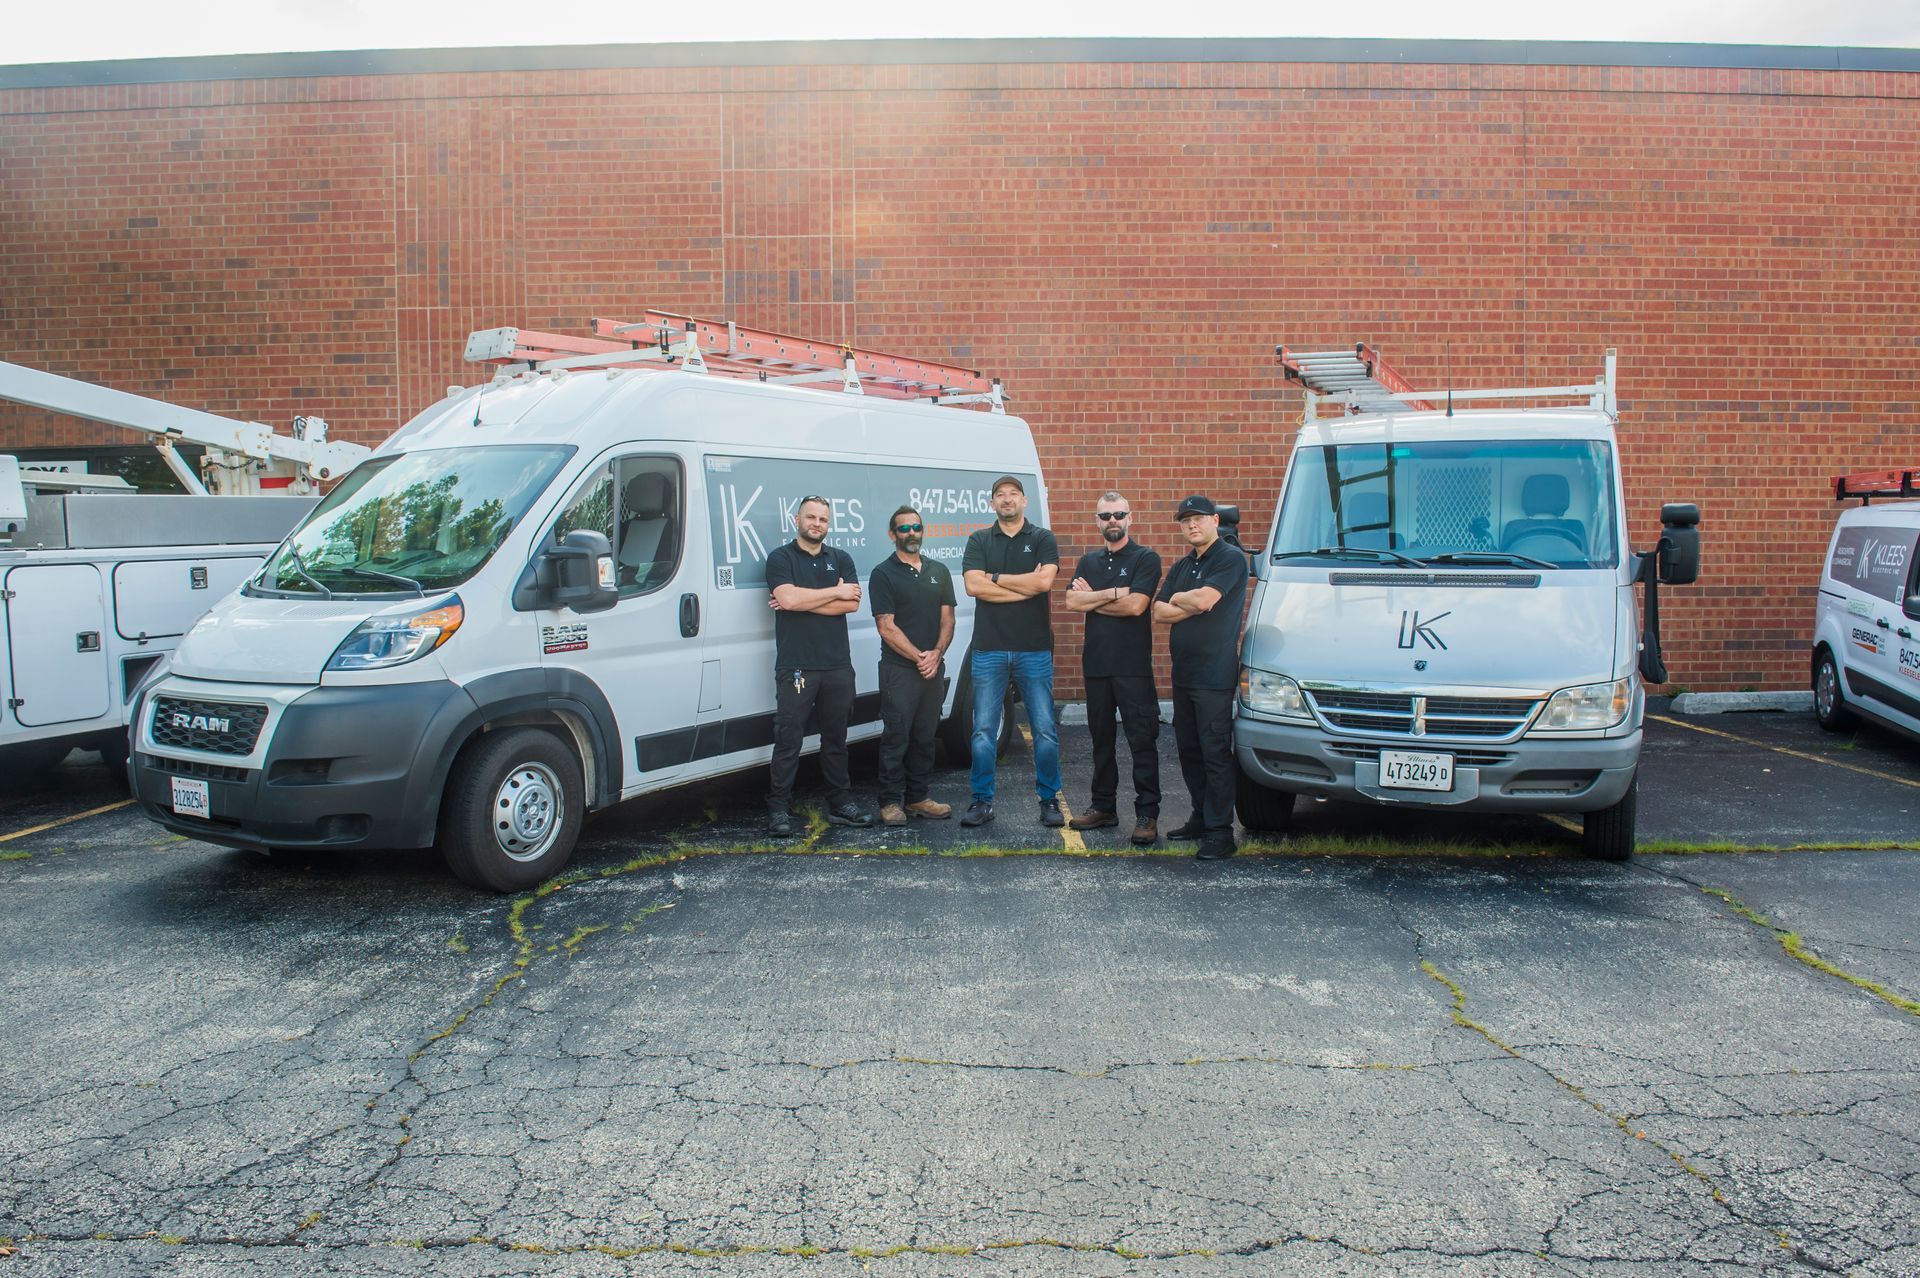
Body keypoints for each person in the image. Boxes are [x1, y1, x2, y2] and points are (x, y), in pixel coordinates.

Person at [765, 495, 873, 837]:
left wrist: (800, 601)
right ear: (796, 519)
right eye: (810, 517)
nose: (816, 523)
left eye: (823, 519)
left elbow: (851, 605)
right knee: (788, 739)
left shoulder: (840, 558)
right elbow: (787, 598)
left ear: (829, 524)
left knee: (836, 739)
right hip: (797, 666)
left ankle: (841, 804)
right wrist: (832, 593)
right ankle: (779, 808)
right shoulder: (780, 558)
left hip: (837, 665)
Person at [959, 475, 1061, 828]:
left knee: (1045, 728)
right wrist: (1024, 587)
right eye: (1000, 495)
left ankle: (1049, 801)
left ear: (1024, 501)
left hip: (1034, 649)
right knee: (983, 730)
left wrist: (997, 579)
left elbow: (1045, 582)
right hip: (989, 648)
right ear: (991, 504)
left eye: (1013, 494)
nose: (1007, 500)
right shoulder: (979, 539)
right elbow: (974, 586)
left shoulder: (1043, 538)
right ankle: (981, 801)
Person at [1153, 494, 1249, 861]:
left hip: (1214, 674)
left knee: (1214, 752)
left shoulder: (1229, 558)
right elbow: (1159, 613)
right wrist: (1183, 600)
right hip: (1185, 672)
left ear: (1214, 520)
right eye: (1185, 520)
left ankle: (1221, 832)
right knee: (1189, 750)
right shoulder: (1181, 565)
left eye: (1198, 518)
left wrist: (1181, 599)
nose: (1191, 525)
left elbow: (1206, 601)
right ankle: (1200, 816)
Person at [1063, 491, 1162, 845]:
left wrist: (1096, 598)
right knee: (1100, 742)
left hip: (1132, 668)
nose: (1112, 521)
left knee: (1142, 742)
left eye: (1119, 514)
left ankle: (1147, 813)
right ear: (1097, 522)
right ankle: (1103, 806)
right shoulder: (1088, 561)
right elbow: (1072, 600)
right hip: (1097, 667)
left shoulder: (1146, 558)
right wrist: (1114, 592)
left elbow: (1137, 606)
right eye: (1105, 516)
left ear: (1130, 518)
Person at [869, 505, 957, 827]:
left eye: (916, 528)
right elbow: (886, 626)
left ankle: (918, 797)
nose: (911, 534)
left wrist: (936, 653)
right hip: (899, 671)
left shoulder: (939, 571)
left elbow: (947, 619)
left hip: (933, 668)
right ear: (893, 535)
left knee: (924, 736)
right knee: (897, 736)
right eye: (904, 529)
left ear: (923, 531)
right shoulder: (883, 573)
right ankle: (890, 802)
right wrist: (920, 657)